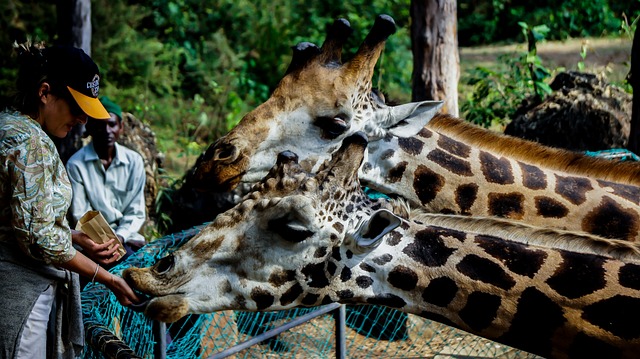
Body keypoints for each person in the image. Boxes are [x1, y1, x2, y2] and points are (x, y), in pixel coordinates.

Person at [0, 42, 139, 359]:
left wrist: (74, 237)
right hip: (18, 295)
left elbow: (19, 221)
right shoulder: (27, 140)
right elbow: (39, 238)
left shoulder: (11, 127)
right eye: (77, 108)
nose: (82, 120)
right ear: (45, 92)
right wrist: (109, 279)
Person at [66, 96, 147, 268]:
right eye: (99, 124)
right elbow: (81, 214)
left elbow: (136, 211)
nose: (107, 130)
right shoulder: (76, 164)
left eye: (112, 124)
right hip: (92, 242)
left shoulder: (134, 162)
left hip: (127, 238)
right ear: (90, 127)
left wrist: (120, 236)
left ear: (121, 127)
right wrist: (106, 243)